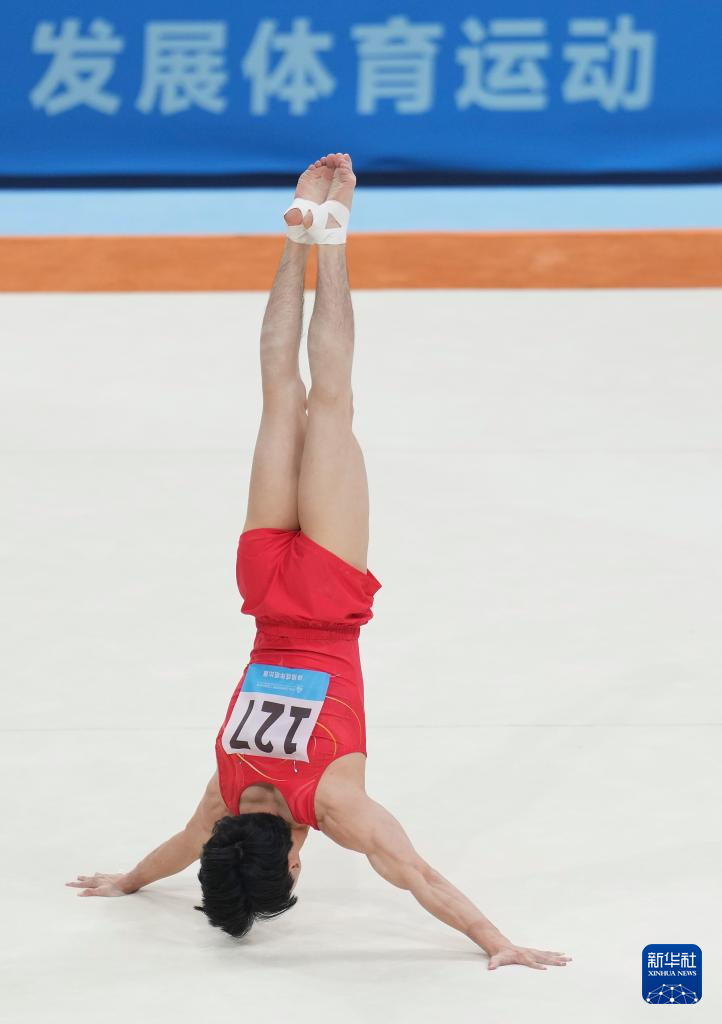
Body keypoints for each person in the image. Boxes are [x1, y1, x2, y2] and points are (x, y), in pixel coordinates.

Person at [67, 153, 571, 973]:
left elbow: (417, 876)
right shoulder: (225, 794)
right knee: (279, 392)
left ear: (296, 864)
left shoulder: (333, 804)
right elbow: (179, 847)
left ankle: (332, 237)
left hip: (328, 596)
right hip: (264, 591)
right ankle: (300, 232)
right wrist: (128, 880)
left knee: (330, 399)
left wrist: (498, 943)